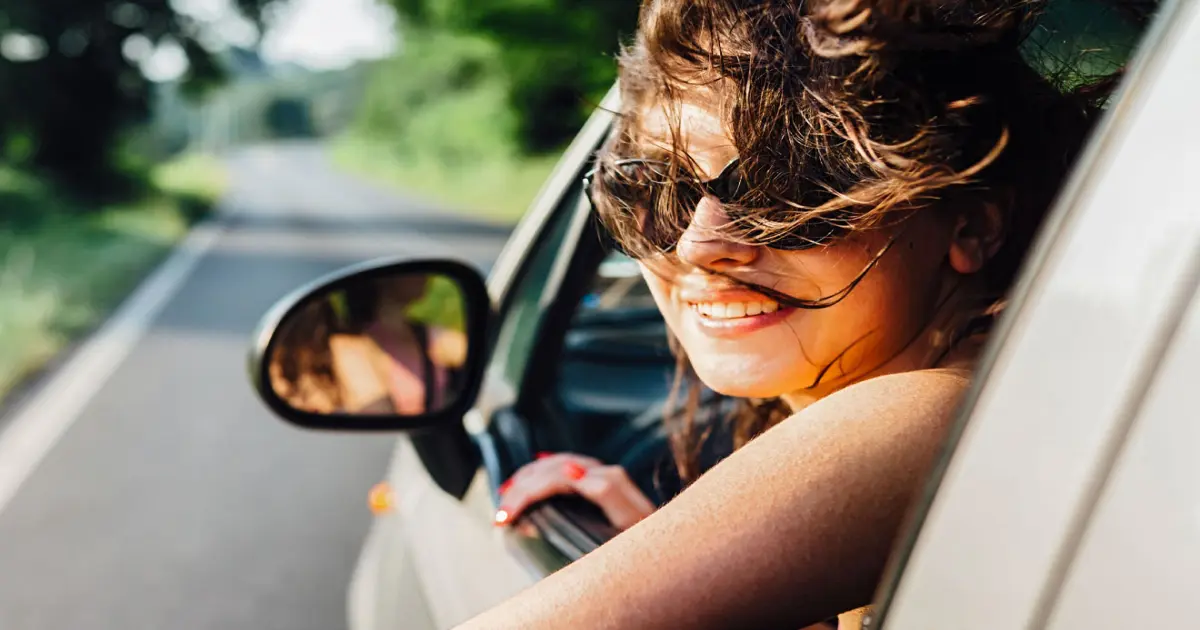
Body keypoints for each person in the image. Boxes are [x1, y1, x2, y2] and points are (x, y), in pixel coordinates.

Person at [470, 0, 1116, 628]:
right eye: (655, 189)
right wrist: (672, 565)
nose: (699, 244)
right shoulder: (993, 400)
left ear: (973, 224)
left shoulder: (930, 416)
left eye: (792, 186)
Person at [270, 275, 467, 415]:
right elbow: (379, 412)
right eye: (412, 269)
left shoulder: (424, 333)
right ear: (384, 278)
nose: (426, 275)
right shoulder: (352, 346)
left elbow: (481, 351)